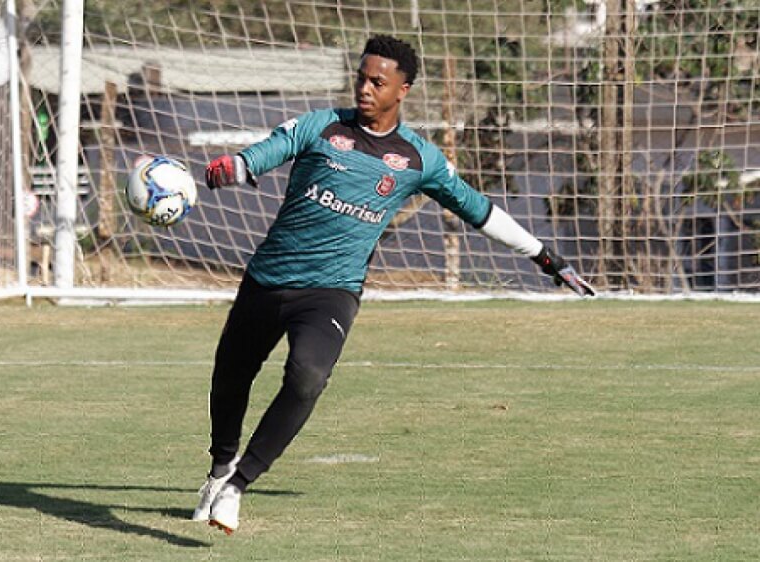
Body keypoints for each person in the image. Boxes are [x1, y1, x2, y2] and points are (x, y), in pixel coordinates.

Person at [192, 35, 595, 535]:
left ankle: (238, 485)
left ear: (402, 90)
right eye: (361, 77)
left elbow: (478, 209)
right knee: (231, 378)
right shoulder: (322, 126)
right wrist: (233, 167)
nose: (365, 88)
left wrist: (544, 256)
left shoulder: (418, 159)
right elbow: (265, 152)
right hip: (266, 279)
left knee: (307, 377)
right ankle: (219, 469)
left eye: (377, 81)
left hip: (331, 293)